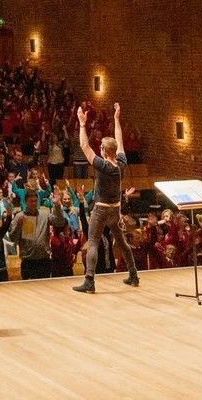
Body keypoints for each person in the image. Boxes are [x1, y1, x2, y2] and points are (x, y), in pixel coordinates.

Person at [73, 102, 139, 293]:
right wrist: (117, 119)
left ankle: (89, 281)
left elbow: (84, 145)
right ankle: (133, 274)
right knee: (121, 242)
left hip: (101, 209)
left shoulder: (102, 165)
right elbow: (119, 141)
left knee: (93, 242)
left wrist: (82, 124)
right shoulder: (121, 163)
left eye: (101, 147)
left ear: (103, 150)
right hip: (115, 210)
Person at [8, 186, 65, 280]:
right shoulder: (19, 217)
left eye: (35, 201)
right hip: (28, 261)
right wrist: (18, 225)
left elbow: (60, 222)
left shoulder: (44, 214)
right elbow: (12, 238)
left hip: (44, 261)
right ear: (26, 202)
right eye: (31, 201)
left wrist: (57, 206)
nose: (34, 203)